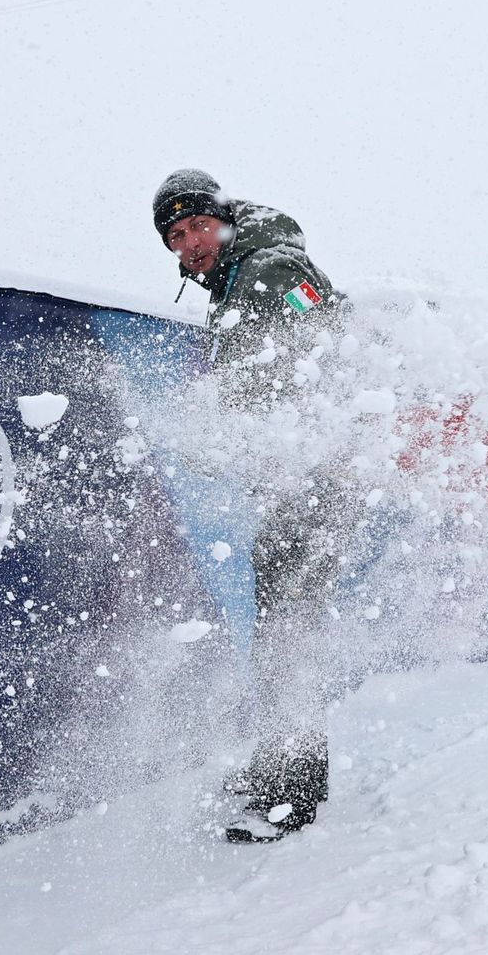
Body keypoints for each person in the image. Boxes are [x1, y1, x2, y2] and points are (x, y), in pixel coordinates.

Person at [151, 168, 348, 842]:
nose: (188, 243)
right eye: (176, 237)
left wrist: (278, 416)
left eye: (196, 226)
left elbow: (325, 332)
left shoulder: (271, 266)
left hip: (315, 481)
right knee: (280, 633)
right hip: (291, 483)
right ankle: (282, 769)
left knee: (288, 636)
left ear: (223, 218)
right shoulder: (237, 278)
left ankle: (291, 793)